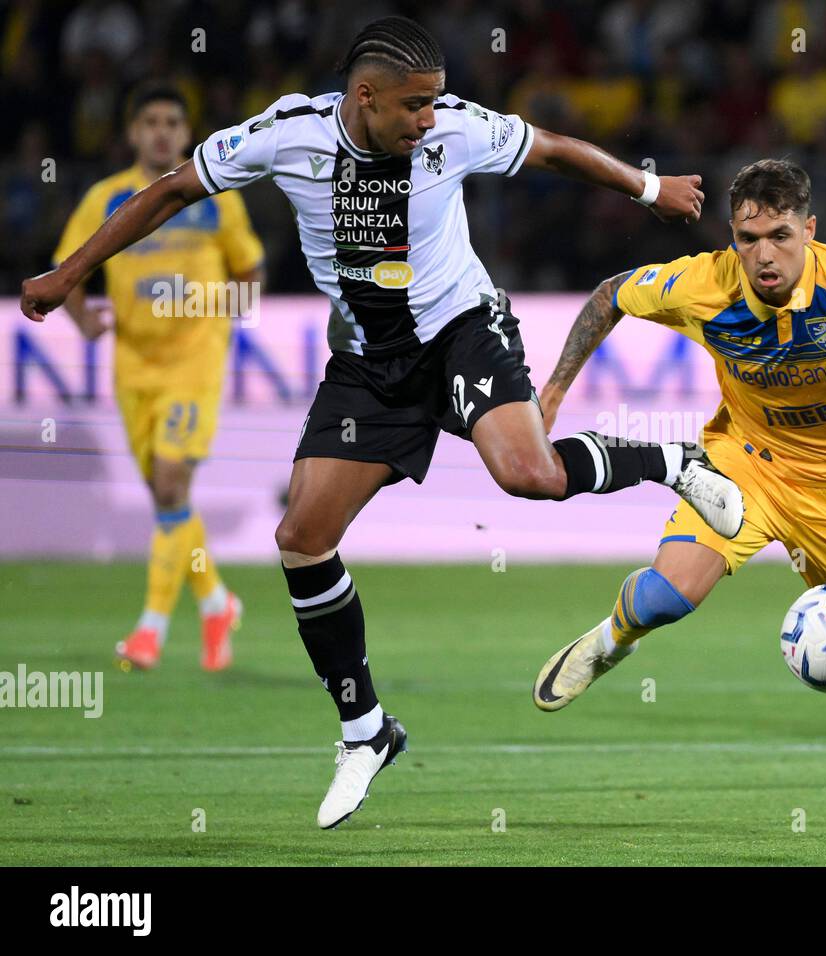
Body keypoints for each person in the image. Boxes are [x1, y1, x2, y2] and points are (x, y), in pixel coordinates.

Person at [21, 16, 743, 829]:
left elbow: (550, 147)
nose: (430, 119)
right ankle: (365, 729)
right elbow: (172, 189)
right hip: (370, 366)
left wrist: (650, 190)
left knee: (530, 476)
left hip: (462, 330)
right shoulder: (287, 135)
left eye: (434, 104)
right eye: (414, 106)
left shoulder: (456, 129)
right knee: (301, 537)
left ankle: (673, 461)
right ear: (364, 97)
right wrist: (70, 271)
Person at [532, 159, 826, 840]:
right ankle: (610, 642)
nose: (764, 254)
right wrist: (553, 391)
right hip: (745, 467)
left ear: (810, 230)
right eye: (748, 236)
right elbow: (611, 293)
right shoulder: (704, 283)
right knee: (665, 599)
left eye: (781, 236)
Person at [53, 84, 261, 673]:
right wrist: (83, 318)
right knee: (172, 503)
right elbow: (69, 265)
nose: (163, 131)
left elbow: (250, 276)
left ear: (187, 132)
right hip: (133, 367)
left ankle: (150, 629)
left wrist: (210, 308)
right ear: (132, 132)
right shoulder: (106, 198)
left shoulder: (218, 197)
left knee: (170, 485)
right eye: (151, 121)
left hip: (194, 364)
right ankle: (216, 601)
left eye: (173, 121)